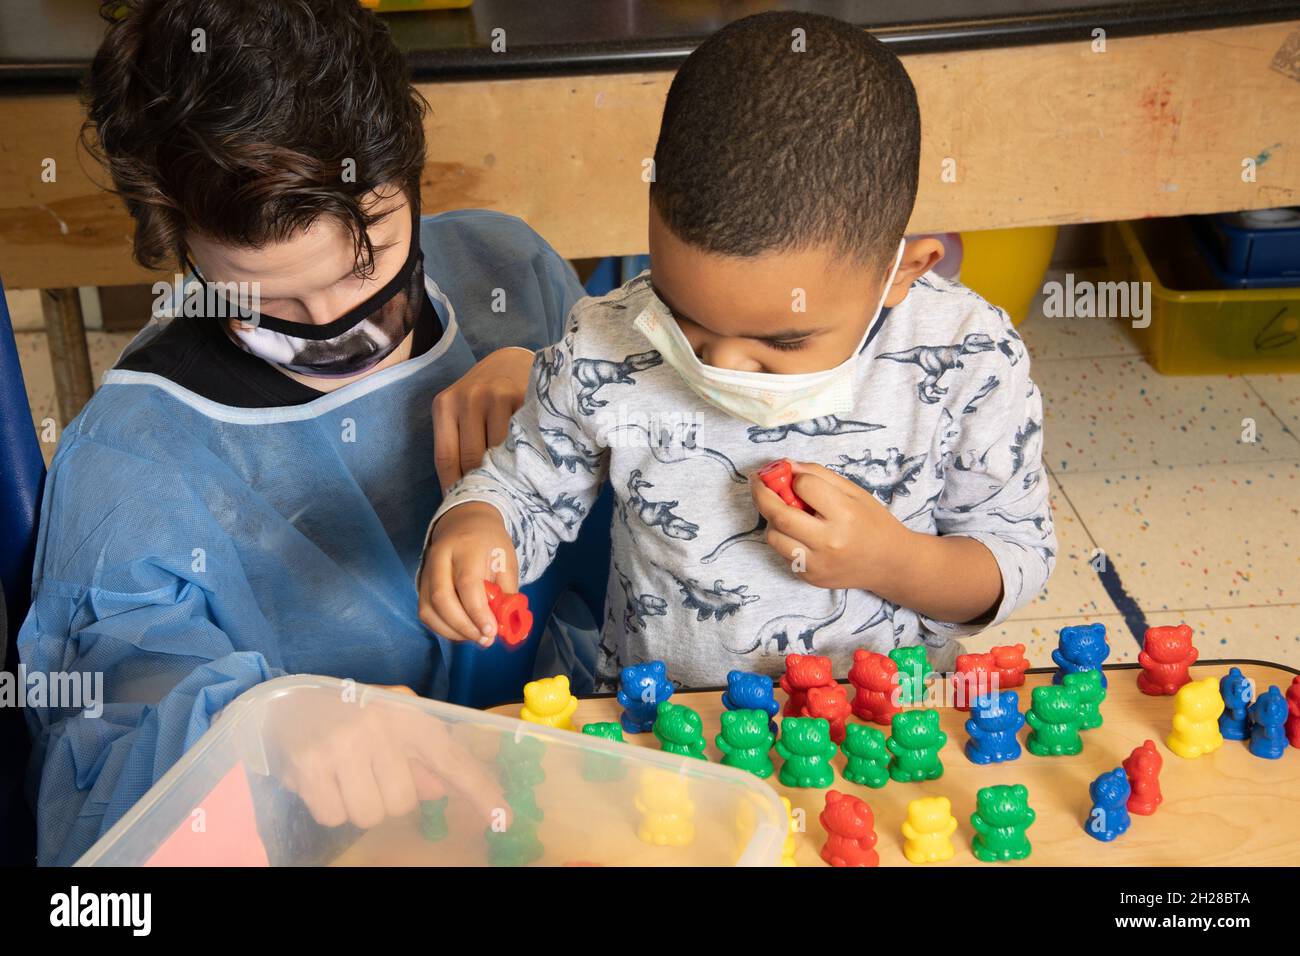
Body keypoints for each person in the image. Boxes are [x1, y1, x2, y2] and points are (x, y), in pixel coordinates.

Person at [19, 0, 590, 865]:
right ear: (181, 246)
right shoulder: (134, 457)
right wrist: (260, 731)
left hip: (575, 794)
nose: (335, 327)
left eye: (368, 266)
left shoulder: (510, 279)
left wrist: (571, 391)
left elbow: (684, 515)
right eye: (270, 304)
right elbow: (106, 750)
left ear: (413, 174)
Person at [420, 12, 1056, 690]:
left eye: (782, 340)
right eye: (683, 317)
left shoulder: (970, 360)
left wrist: (891, 561)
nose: (719, 364)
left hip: (880, 722)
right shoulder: (605, 344)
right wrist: (473, 523)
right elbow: (523, 487)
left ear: (903, 271)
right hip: (665, 726)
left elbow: (1013, 556)